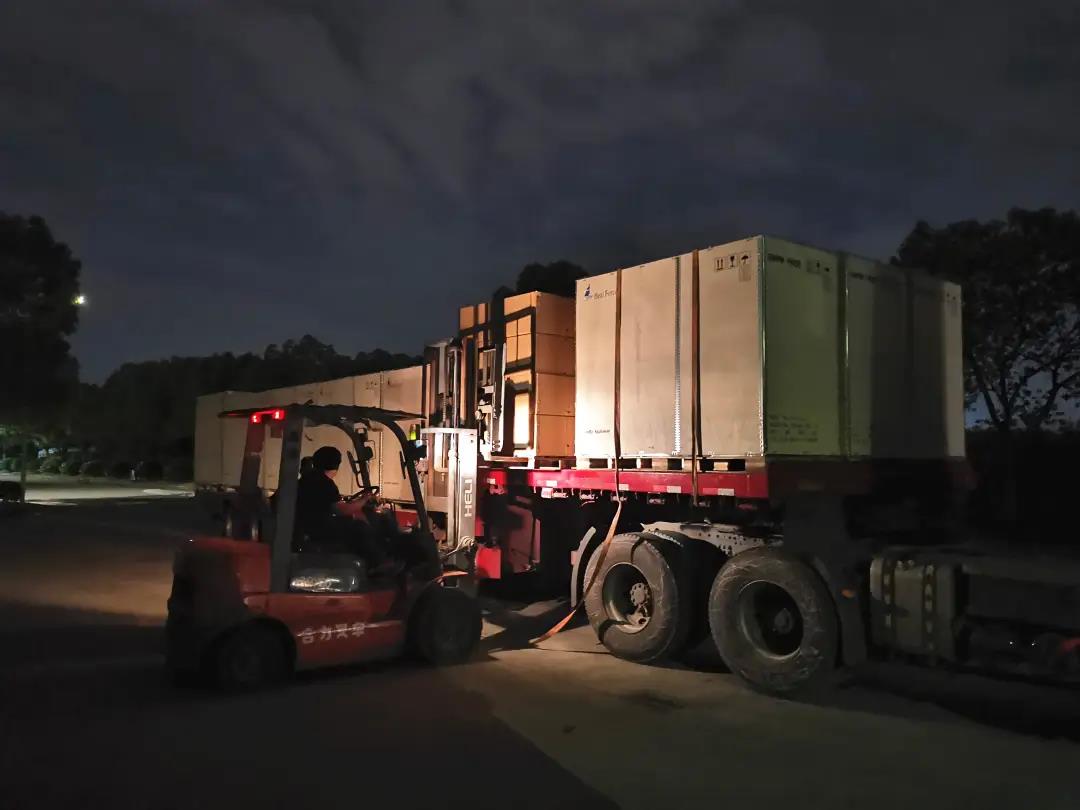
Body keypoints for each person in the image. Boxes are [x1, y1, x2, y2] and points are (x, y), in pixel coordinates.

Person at [295, 446, 383, 564]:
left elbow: (333, 504)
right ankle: (377, 563)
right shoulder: (324, 483)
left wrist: (358, 502)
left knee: (351, 521)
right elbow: (342, 510)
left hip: (309, 524)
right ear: (336, 465)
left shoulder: (308, 479)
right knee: (360, 528)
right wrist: (364, 499)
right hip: (316, 528)